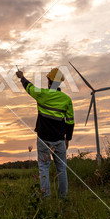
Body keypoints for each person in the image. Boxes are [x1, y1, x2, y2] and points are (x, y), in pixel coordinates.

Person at [16, 68, 74, 199]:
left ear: (49, 81)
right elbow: (70, 122)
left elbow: (29, 87)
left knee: (43, 168)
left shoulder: (42, 94)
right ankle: (62, 199)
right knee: (62, 170)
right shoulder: (66, 100)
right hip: (60, 140)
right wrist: (67, 139)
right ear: (59, 83)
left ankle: (46, 199)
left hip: (43, 139)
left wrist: (22, 77)